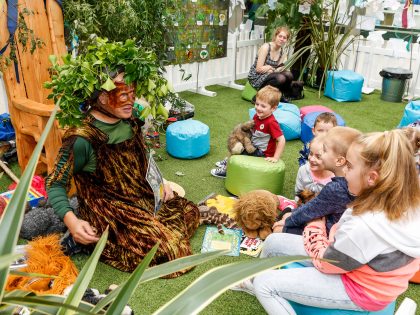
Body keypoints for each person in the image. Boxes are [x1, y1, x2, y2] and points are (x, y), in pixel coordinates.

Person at [233, 129, 420, 315]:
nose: (344, 172)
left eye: (350, 167)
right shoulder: (403, 202)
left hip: (361, 289)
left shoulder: (366, 225)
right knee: (274, 242)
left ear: (371, 178)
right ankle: (253, 281)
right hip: (363, 270)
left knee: (265, 284)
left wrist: (314, 226)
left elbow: (327, 263)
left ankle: (258, 284)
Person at [46, 72, 200, 276]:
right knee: (170, 252)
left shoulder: (129, 120)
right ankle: (86, 239)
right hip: (109, 211)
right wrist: (72, 221)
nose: (131, 100)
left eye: (132, 93)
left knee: (190, 211)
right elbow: (55, 183)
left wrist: (161, 183)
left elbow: (144, 156)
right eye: (123, 95)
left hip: (139, 197)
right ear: (101, 97)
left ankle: (146, 229)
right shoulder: (82, 139)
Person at [274, 126, 361, 235]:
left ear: (339, 161)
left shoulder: (335, 189)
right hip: (335, 226)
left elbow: (309, 211)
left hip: (327, 233)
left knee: (278, 229)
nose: (321, 153)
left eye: (324, 150)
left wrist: (287, 221)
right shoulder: (355, 183)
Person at [211, 86, 286, 178]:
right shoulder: (257, 115)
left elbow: (281, 140)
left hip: (262, 153)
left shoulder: (271, 122)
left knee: (239, 151)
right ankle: (229, 161)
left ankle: (228, 171)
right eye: (257, 104)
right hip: (253, 145)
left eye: (263, 106)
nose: (258, 108)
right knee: (236, 144)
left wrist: (275, 157)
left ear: (273, 108)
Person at [248, 26, 294, 100]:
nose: (282, 39)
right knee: (280, 78)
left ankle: (281, 95)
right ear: (275, 36)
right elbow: (258, 69)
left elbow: (278, 69)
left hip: (270, 74)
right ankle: (258, 96)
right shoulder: (266, 47)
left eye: (284, 38)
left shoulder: (282, 52)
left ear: (287, 40)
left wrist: (269, 68)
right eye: (280, 36)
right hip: (257, 76)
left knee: (289, 75)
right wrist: (271, 68)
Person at [294, 135, 334, 200]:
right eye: (311, 153)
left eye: (318, 157)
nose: (311, 159)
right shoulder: (303, 170)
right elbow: (298, 195)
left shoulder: (335, 180)